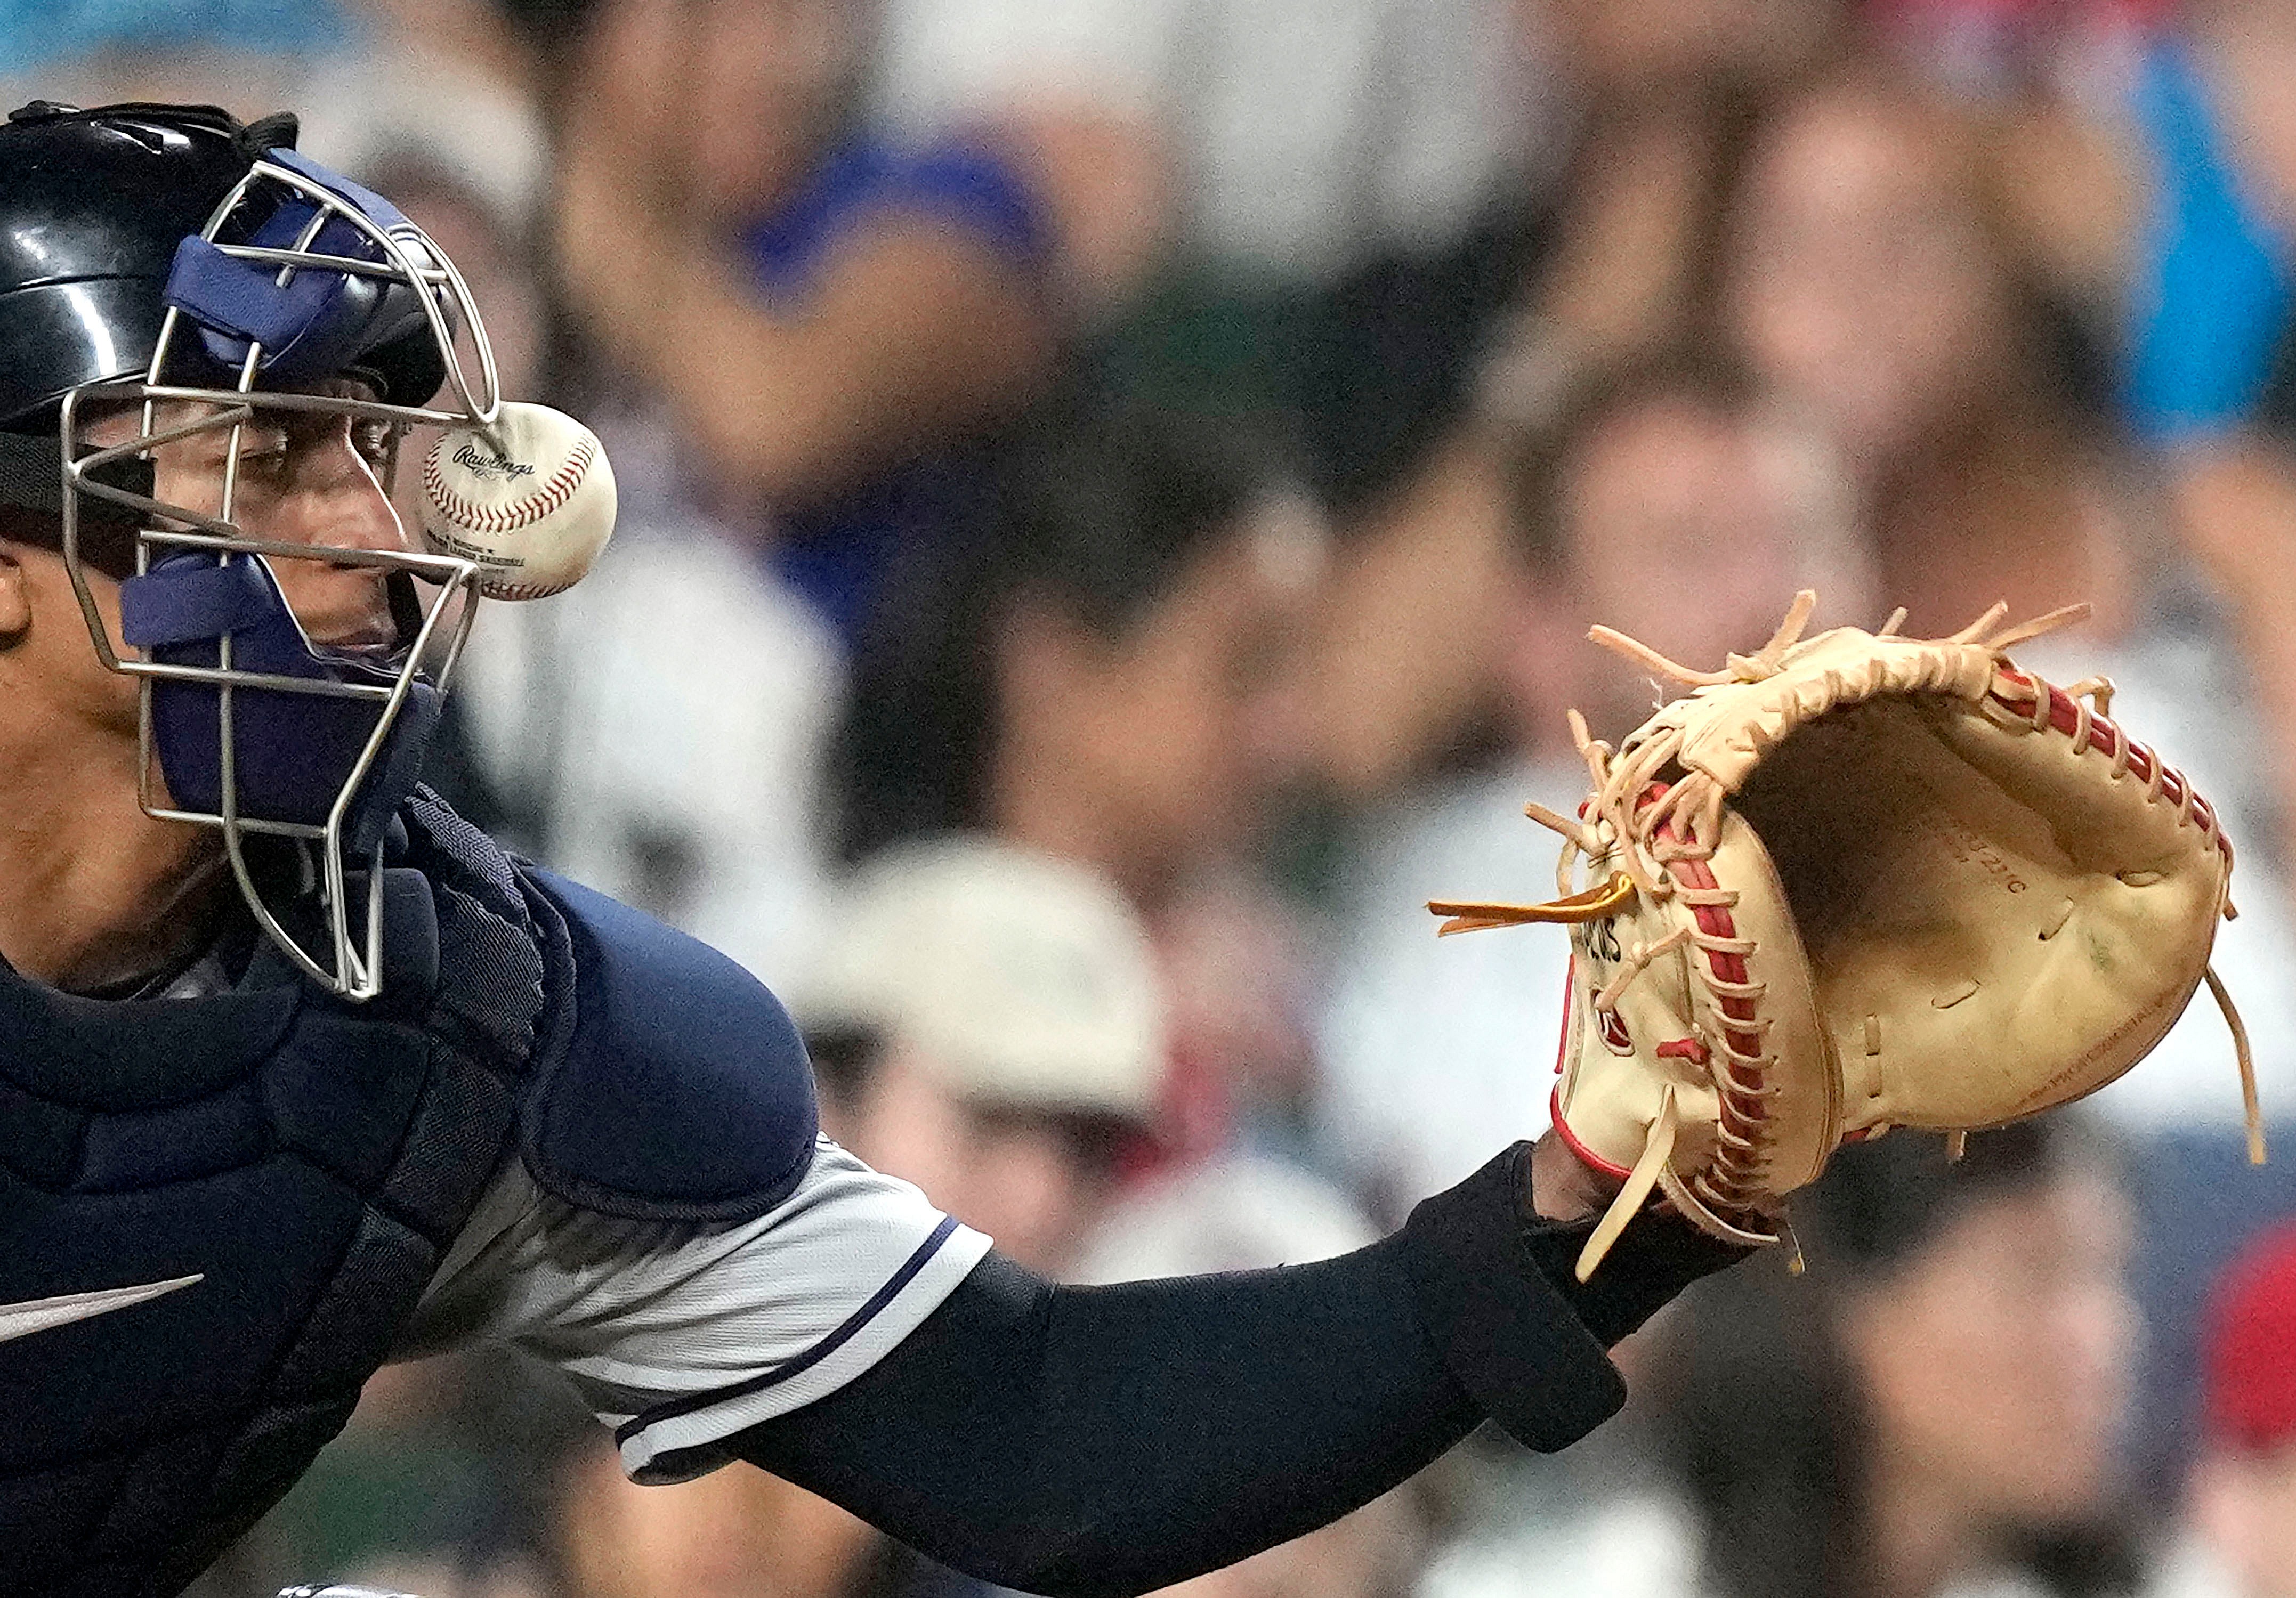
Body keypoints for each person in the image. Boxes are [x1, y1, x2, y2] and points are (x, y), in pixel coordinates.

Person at [0, 102, 1742, 1598]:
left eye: (379, 450)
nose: (371, 531)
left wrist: (1583, 1211)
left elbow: (1041, 1432)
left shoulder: (453, 1021)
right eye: (264, 456)